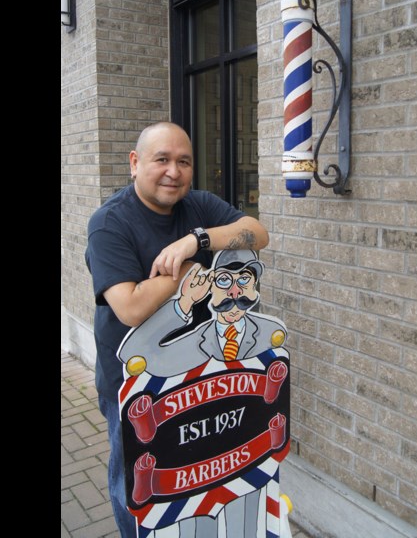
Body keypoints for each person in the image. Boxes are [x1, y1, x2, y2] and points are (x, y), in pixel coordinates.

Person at [85, 122, 269, 538]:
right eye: (161, 160)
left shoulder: (198, 207)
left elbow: (258, 234)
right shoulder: (109, 224)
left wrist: (196, 241)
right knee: (137, 487)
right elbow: (130, 307)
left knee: (193, 476)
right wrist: (187, 273)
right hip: (133, 385)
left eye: (183, 161)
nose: (174, 171)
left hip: (198, 371)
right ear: (135, 164)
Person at [117, 248, 287, 377]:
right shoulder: (194, 343)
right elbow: (135, 355)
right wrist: (184, 302)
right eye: (224, 280)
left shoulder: (270, 333)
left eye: (244, 279)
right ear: (210, 285)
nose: (235, 292)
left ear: (254, 284)